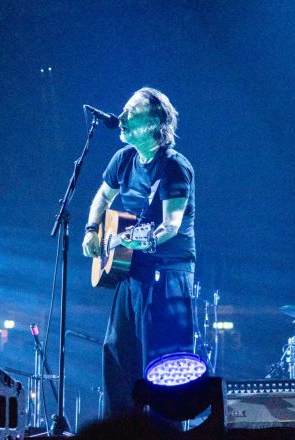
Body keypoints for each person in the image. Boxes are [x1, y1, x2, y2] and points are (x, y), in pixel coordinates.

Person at [82, 87, 195, 417]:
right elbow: (102, 197)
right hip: (129, 272)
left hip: (166, 273)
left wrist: (144, 241)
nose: (122, 117)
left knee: (163, 363)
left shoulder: (173, 166)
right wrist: (92, 229)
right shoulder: (124, 159)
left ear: (154, 122)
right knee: (117, 353)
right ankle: (121, 435)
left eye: (131, 111)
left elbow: (171, 225)